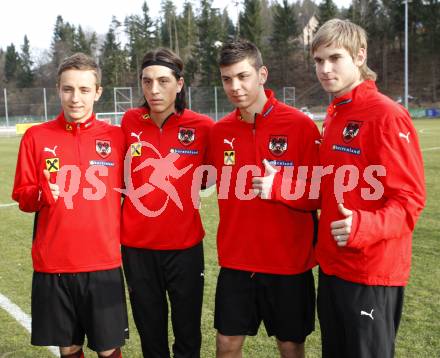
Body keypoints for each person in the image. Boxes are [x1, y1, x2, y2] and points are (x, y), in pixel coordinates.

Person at [311, 19, 426, 358]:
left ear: (359, 56)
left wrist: (362, 226)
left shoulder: (387, 115)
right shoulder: (335, 115)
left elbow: (409, 201)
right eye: (318, 60)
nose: (325, 68)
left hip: (371, 273)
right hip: (333, 268)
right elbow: (327, 186)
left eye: (334, 58)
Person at [12, 53, 128, 358]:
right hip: (54, 265)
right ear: (58, 89)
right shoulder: (36, 138)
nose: (75, 98)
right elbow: (23, 196)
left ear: (98, 92)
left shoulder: (116, 138)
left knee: (108, 349)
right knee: (70, 347)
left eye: (84, 90)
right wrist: (42, 192)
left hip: (103, 264)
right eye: (68, 89)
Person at [209, 39, 321, 358]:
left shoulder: (300, 126)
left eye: (243, 76)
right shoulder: (218, 133)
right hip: (237, 261)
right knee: (227, 343)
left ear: (262, 74)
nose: (235, 86)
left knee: (289, 345)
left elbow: (321, 194)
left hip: (288, 263)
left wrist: (281, 187)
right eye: (227, 79)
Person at [120, 48, 213, 358]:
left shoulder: (202, 127)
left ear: (180, 84)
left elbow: (211, 178)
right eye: (147, 82)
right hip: (137, 249)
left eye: (163, 81)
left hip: (185, 249)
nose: (154, 90)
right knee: (151, 336)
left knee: (188, 335)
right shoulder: (129, 122)